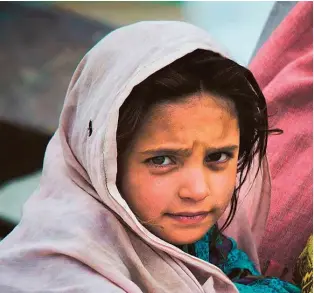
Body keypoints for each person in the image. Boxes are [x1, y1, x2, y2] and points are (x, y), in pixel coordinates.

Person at [0, 21, 300, 293]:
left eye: (218, 157)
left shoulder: (209, 250)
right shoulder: (60, 278)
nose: (197, 190)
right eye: (162, 160)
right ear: (104, 161)